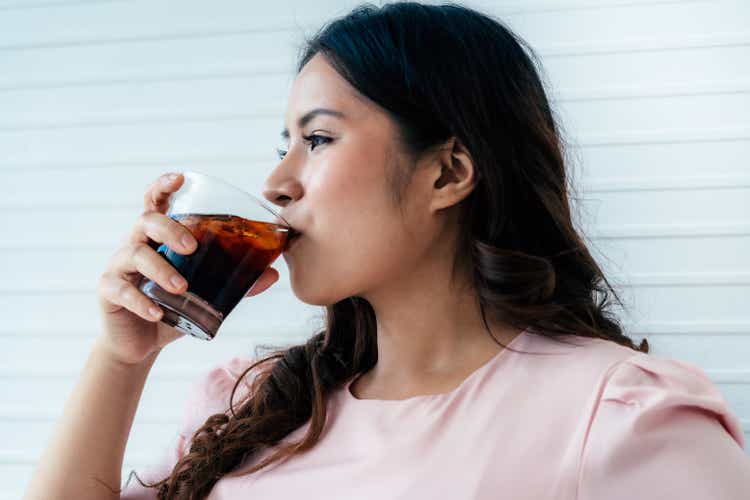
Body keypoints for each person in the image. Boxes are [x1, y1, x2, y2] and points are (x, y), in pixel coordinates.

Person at [23, 2, 750, 499]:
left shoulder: (622, 417)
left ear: (447, 172)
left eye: (317, 139)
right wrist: (121, 362)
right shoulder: (250, 401)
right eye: (284, 147)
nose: (276, 184)